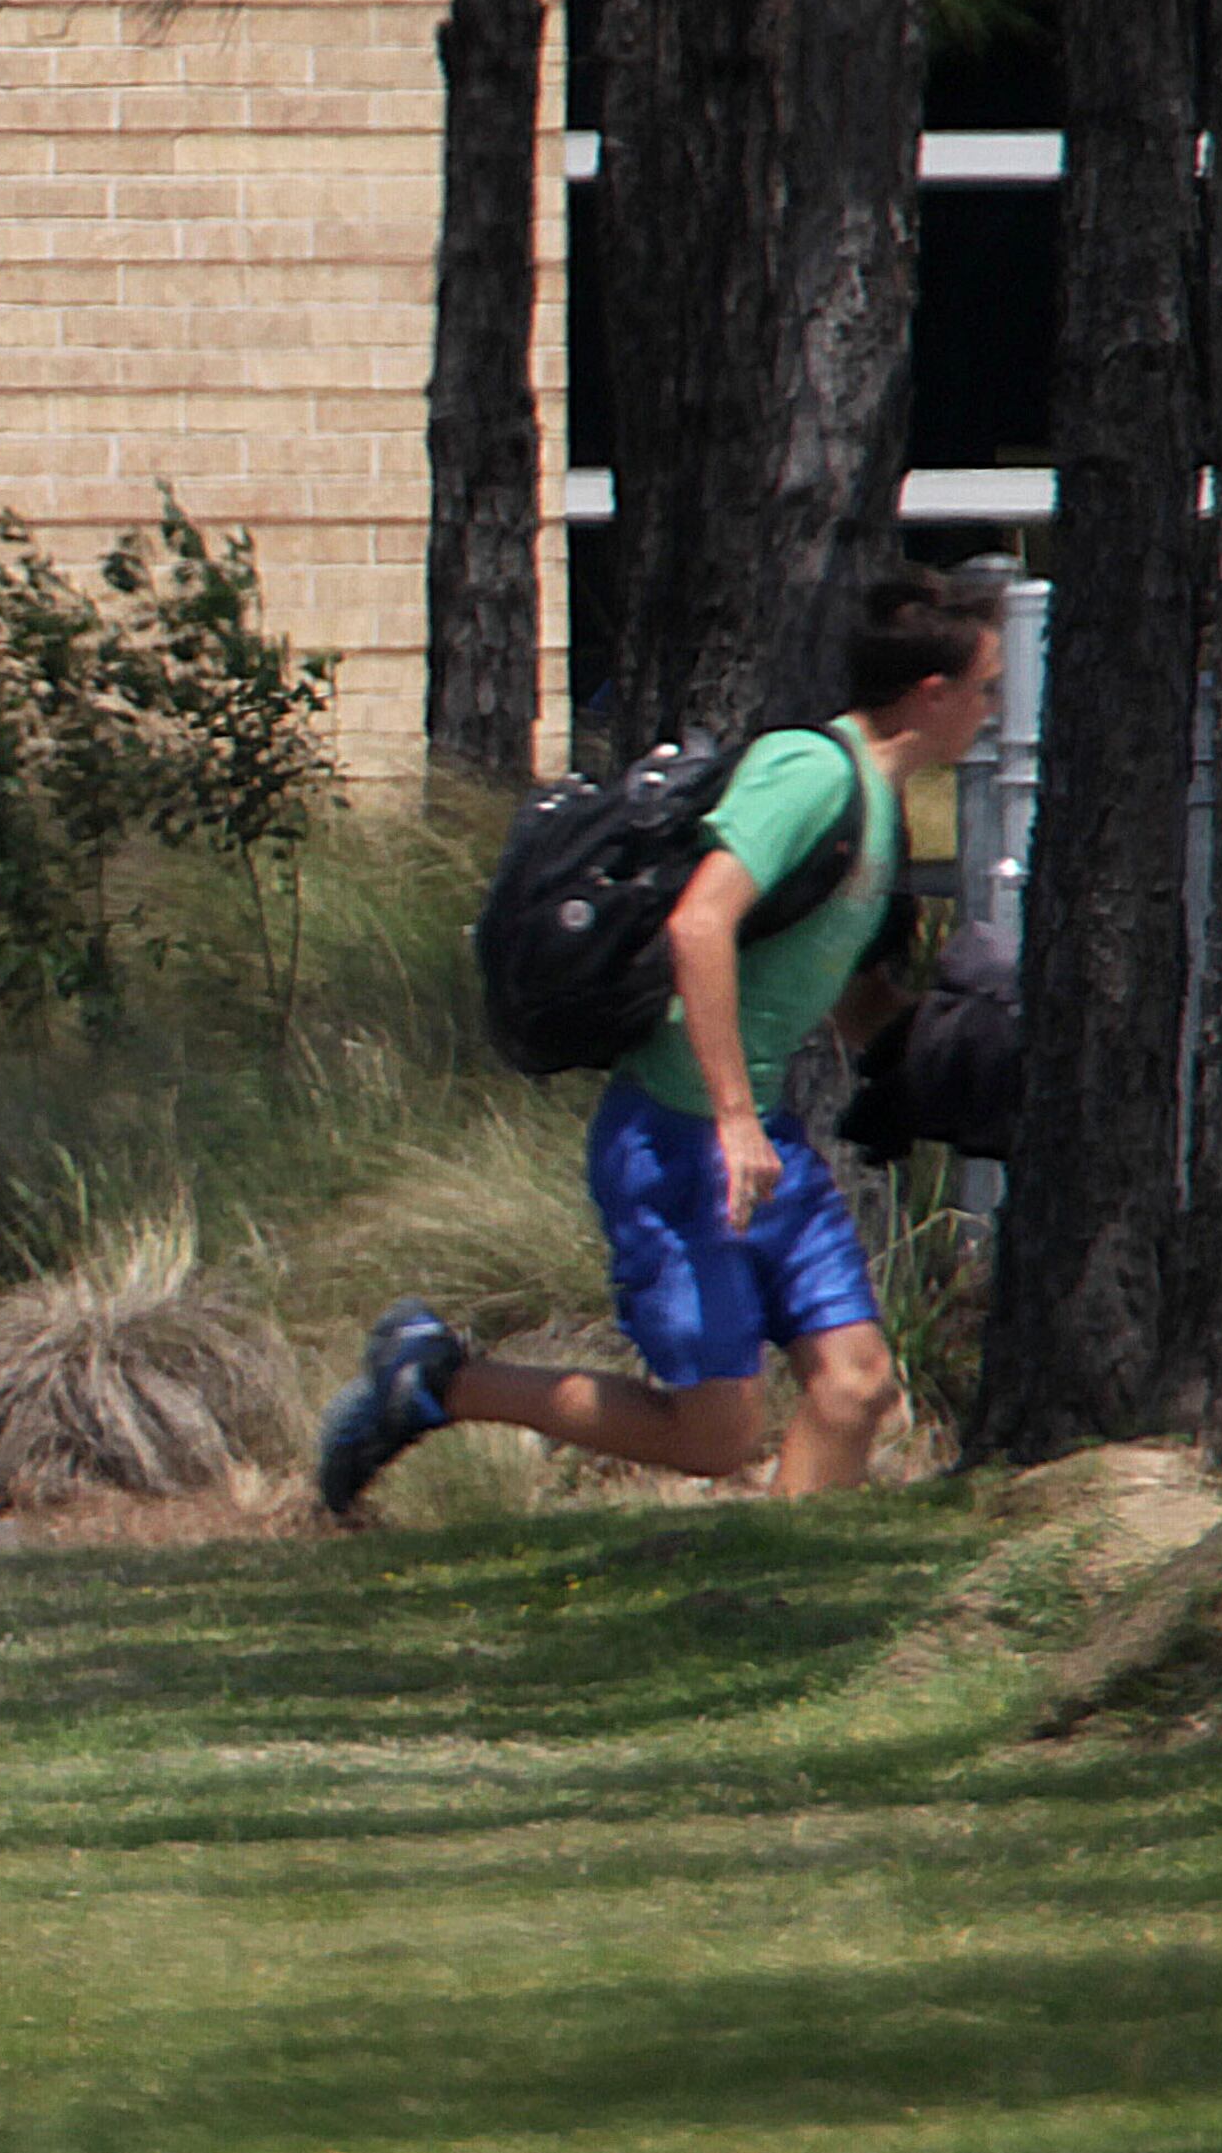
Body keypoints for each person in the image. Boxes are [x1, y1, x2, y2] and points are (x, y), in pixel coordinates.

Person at [317, 568, 1009, 1515]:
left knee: (854, 1389)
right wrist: (730, 1121)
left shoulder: (878, 805)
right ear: (932, 695)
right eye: (987, 690)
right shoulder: (811, 772)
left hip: (763, 1141)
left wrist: (958, 1056)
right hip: (683, 1140)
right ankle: (440, 1382)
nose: (991, 712)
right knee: (715, 1436)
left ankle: (776, 1598)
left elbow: (837, 989)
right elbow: (700, 924)